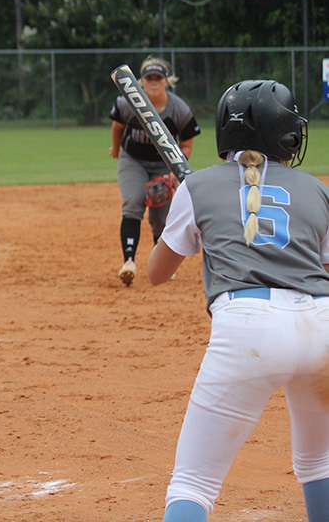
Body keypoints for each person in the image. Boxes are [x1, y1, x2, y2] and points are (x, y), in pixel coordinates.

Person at [147, 80, 329, 521]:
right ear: (284, 136)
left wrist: (173, 214)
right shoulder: (317, 189)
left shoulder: (200, 186)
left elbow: (157, 274)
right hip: (322, 325)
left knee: (194, 482)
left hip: (249, 328)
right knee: (320, 463)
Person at [109, 57, 200, 286]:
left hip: (164, 165)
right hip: (133, 161)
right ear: (141, 80)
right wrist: (116, 149)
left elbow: (186, 146)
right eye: (149, 78)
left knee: (161, 218)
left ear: (166, 81)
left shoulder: (179, 109)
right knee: (133, 201)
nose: (153, 82)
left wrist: (173, 172)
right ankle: (128, 262)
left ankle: (162, 265)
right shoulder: (128, 102)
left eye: (158, 78)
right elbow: (118, 127)